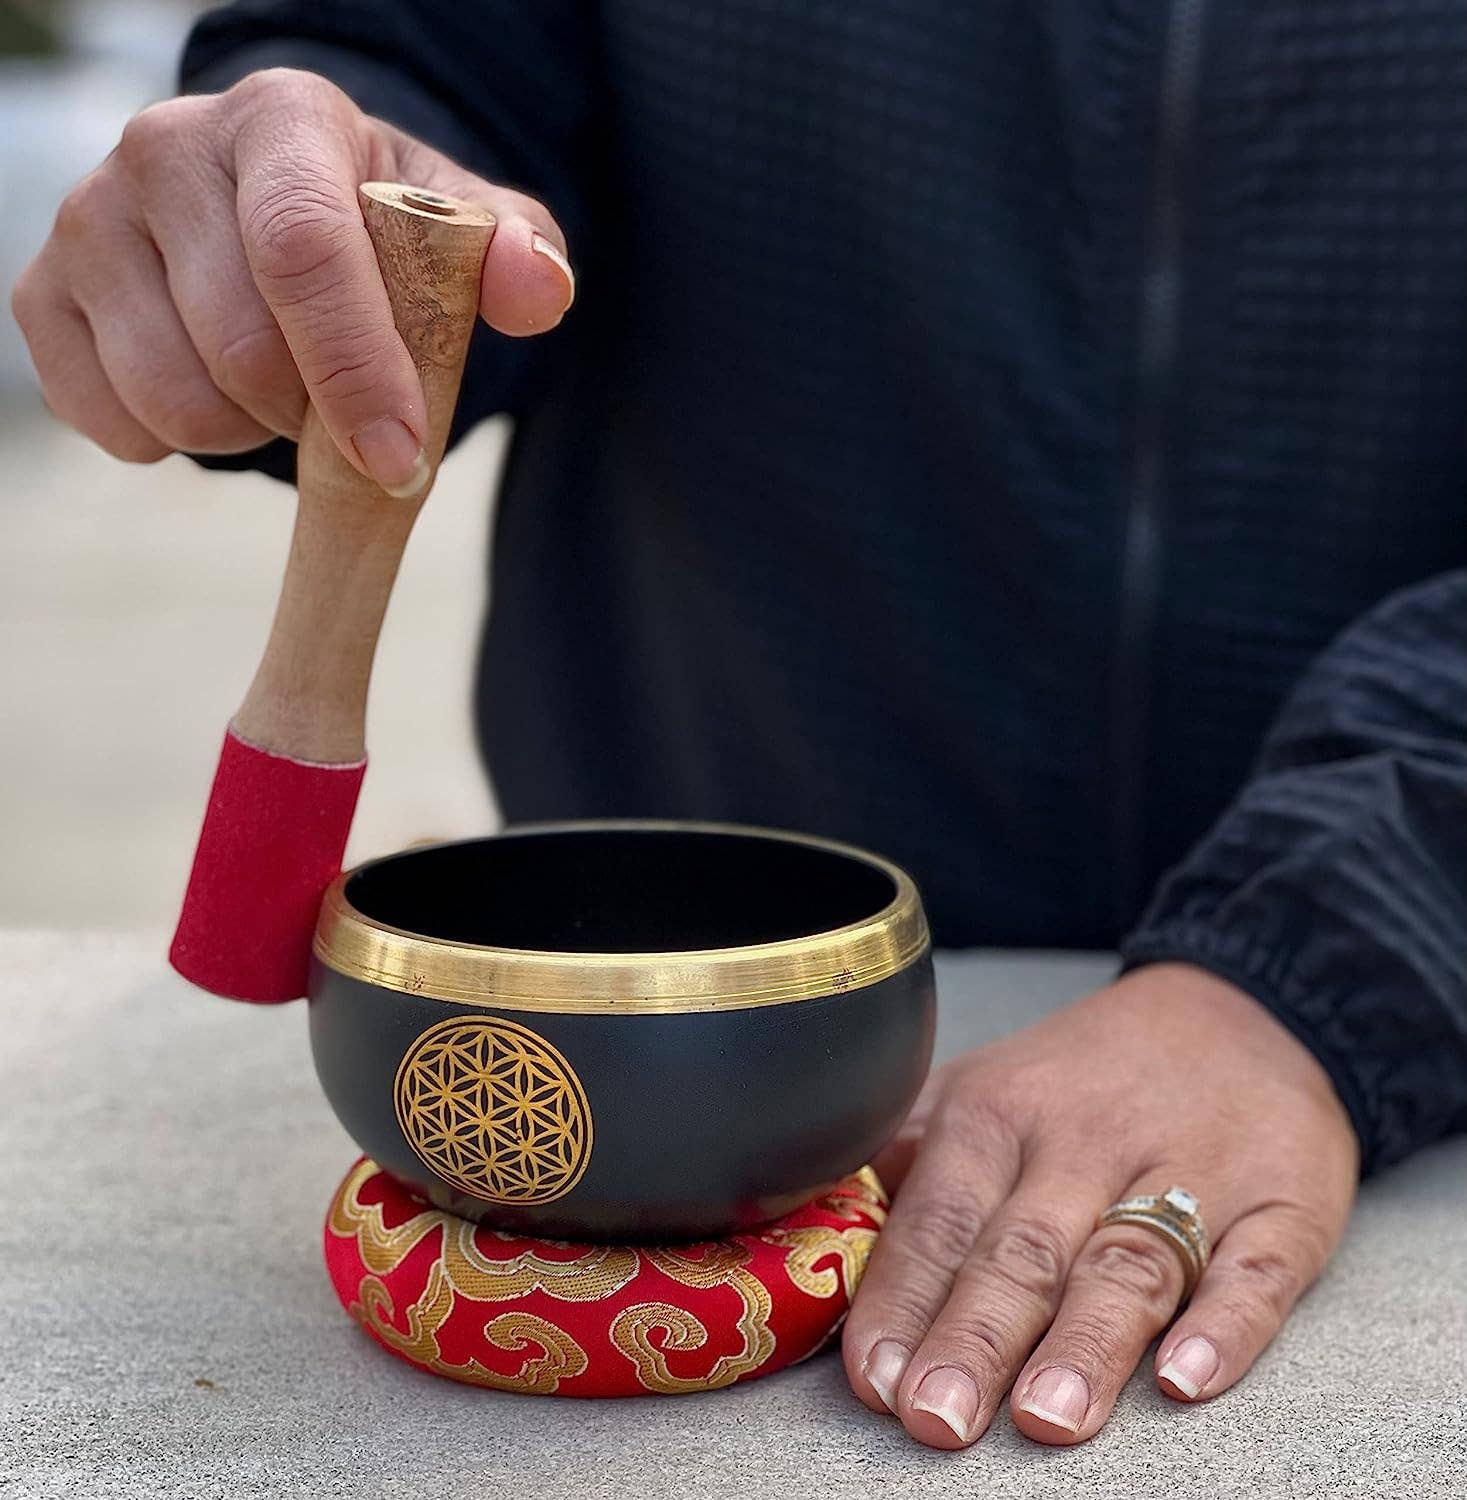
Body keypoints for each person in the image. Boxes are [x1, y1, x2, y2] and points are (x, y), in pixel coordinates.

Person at [12, 0, 1465, 1451]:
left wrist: (1320, 960)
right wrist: (295, 224)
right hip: (634, 971)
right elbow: (437, 64)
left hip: (1396, 1009)